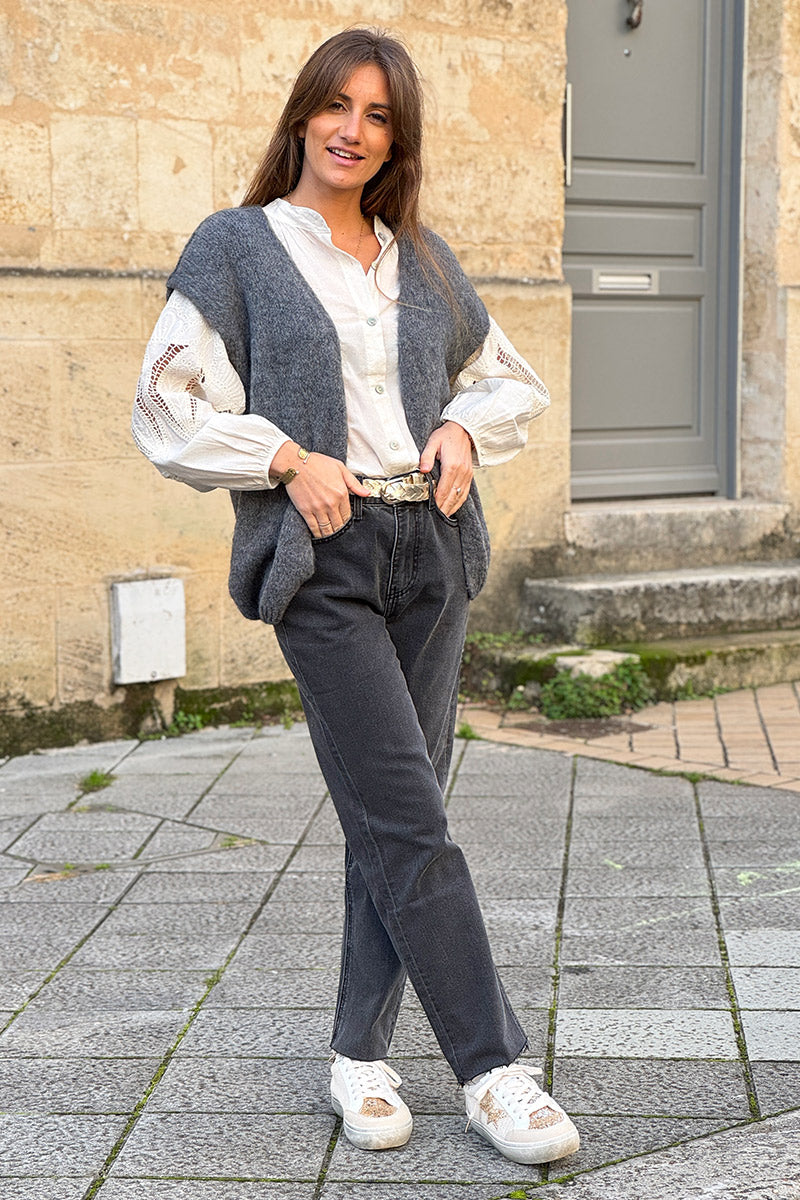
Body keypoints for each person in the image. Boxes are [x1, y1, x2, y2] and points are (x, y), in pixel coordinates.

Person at [132, 26, 579, 1167]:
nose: (353, 131)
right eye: (337, 106)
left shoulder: (417, 256)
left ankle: (358, 1055)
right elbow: (169, 405)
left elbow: (503, 380)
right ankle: (492, 1069)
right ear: (301, 114)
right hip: (320, 560)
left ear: (398, 137)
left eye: (379, 116)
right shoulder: (236, 246)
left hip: (429, 549)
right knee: (408, 813)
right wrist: (287, 458)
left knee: (392, 818)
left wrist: (459, 432)